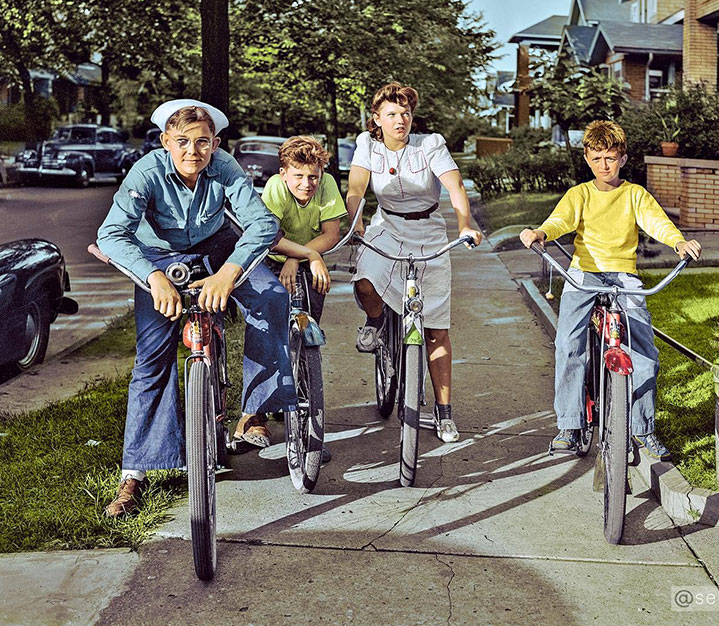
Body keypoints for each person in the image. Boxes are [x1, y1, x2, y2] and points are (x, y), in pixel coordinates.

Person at [97, 99, 296, 518]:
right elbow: (112, 233)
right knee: (152, 358)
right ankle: (135, 473)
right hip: (160, 257)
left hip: (220, 248)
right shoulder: (147, 171)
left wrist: (228, 274)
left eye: (203, 142)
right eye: (183, 141)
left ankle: (253, 412)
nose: (193, 151)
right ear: (165, 141)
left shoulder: (224, 166)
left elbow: (261, 223)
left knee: (273, 298)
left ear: (215, 144)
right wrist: (154, 278)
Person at [519, 119, 701, 460]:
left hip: (623, 276)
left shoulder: (634, 194)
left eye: (611, 158)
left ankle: (643, 428)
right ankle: (570, 425)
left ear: (623, 159)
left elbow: (657, 222)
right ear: (587, 159)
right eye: (597, 158)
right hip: (584, 275)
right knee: (569, 344)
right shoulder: (580, 194)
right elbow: (561, 221)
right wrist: (541, 233)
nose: (604, 165)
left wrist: (678, 242)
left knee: (644, 351)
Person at [346, 82, 481, 443]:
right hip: (386, 227)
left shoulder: (429, 144)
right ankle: (376, 320)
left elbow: (454, 187)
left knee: (436, 328)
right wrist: (356, 223)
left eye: (405, 113)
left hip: (430, 232)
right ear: (377, 118)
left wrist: (465, 222)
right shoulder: (367, 146)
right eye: (391, 114)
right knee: (364, 279)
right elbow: (356, 190)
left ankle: (443, 412)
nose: (400, 120)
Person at [258, 135, 347, 458]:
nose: (307, 183)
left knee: (308, 336)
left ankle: (310, 425)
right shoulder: (275, 188)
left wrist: (303, 257)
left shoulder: (326, 186)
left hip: (309, 261)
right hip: (274, 259)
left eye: (313, 176)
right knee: (271, 332)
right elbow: (271, 237)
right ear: (284, 174)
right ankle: (261, 409)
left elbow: (331, 233)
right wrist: (298, 256)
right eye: (299, 176)